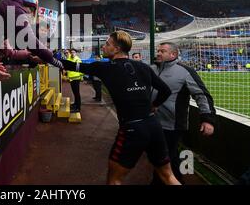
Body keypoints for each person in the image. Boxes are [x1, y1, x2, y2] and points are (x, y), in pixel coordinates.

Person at [61, 31, 180, 185]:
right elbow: (166, 91)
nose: (103, 47)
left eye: (107, 44)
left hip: (132, 129)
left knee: (115, 180)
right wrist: (154, 106)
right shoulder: (143, 67)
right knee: (168, 176)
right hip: (154, 125)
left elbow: (70, 65)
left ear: (116, 49)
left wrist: (44, 56)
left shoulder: (105, 68)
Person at [151, 42, 216, 184]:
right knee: (164, 156)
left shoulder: (185, 71)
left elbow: (202, 95)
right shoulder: (152, 69)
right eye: (158, 51)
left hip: (172, 124)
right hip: (153, 123)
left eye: (162, 51)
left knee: (166, 156)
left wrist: (207, 119)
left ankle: (164, 181)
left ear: (173, 54)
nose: (158, 53)